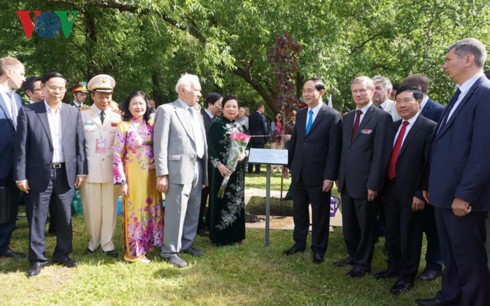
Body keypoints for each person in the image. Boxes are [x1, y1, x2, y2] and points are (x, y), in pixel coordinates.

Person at [416, 38, 490, 306]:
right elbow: (444, 145)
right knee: (452, 256)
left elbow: (483, 153)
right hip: (443, 193)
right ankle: (449, 297)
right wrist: (431, 183)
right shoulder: (461, 93)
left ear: (468, 59)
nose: (445, 65)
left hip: (462, 200)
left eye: (449, 59)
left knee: (470, 260)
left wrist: (465, 195)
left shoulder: (485, 94)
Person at [15, 72, 87, 277]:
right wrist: (21, 175)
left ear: (65, 90)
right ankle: (37, 259)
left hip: (65, 172)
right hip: (38, 173)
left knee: (65, 216)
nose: (57, 91)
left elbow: (80, 144)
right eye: (52, 87)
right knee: (37, 217)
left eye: (61, 88)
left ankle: (63, 254)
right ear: (44, 88)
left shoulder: (73, 113)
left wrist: (82, 170)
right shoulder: (28, 112)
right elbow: (21, 148)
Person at [375, 86, 436, 295]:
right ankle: (393, 267)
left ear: (418, 102)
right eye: (398, 100)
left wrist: (421, 192)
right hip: (390, 190)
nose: (401, 105)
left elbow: (430, 163)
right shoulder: (393, 126)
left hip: (413, 194)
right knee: (391, 232)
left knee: (410, 235)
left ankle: (406, 277)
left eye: (407, 100)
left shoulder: (429, 127)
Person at [335, 76, 394, 278]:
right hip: (346, 182)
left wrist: (374, 184)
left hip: (366, 184)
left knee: (366, 226)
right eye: (355, 91)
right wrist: (338, 176)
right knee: (349, 225)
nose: (358, 94)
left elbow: (381, 156)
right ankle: (353, 255)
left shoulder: (381, 118)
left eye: (362, 90)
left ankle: (363, 263)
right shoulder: (348, 117)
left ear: (372, 91)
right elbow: (344, 150)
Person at [282, 78, 342, 264]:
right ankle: (299, 243)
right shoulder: (300, 114)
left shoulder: (333, 116)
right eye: (304, 90)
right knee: (299, 211)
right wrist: (287, 163)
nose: (306, 94)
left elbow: (334, 149)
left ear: (321, 92)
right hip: (299, 173)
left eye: (310, 90)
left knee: (320, 214)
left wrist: (329, 177)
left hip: (319, 176)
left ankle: (318, 248)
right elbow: (296, 142)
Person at [153, 73, 208, 268]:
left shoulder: (197, 113)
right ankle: (170, 250)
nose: (200, 94)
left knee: (193, 209)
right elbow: (160, 144)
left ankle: (186, 243)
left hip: (197, 167)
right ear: (183, 90)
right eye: (197, 89)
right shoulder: (167, 110)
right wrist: (162, 173)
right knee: (176, 210)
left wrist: (204, 174)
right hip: (177, 168)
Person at [399, 73, 445, 281]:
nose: (402, 101)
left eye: (406, 94)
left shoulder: (438, 112)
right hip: (406, 183)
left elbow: (434, 156)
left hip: (429, 183)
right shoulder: (402, 114)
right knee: (414, 227)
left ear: (418, 91)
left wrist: (423, 187)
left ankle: (434, 265)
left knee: (432, 228)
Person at [113, 91, 164, 263]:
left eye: (141, 103)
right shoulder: (124, 126)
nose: (138, 107)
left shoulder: (152, 125)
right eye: (134, 103)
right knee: (136, 211)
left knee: (152, 208)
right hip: (133, 176)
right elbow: (116, 156)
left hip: (151, 176)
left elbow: (160, 147)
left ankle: (150, 244)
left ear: (146, 106)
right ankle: (135, 251)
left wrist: (157, 160)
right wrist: (122, 181)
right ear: (128, 106)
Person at [79, 74, 121, 258]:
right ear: (92, 95)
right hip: (90, 170)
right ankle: (93, 240)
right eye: (101, 95)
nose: (105, 99)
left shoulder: (118, 117)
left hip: (112, 171)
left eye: (108, 95)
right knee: (91, 207)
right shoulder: (82, 115)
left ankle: (107, 243)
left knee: (110, 207)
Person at [207, 95, 248, 246]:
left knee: (236, 201)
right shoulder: (216, 125)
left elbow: (246, 147)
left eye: (234, 107)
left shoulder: (241, 127)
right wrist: (218, 165)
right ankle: (220, 237)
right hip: (221, 171)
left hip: (237, 173)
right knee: (220, 200)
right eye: (228, 106)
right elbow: (209, 147)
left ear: (238, 110)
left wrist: (245, 153)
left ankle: (236, 235)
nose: (231, 109)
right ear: (222, 109)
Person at [0, 56, 25, 259]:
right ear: (8, 72)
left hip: (14, 164)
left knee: (10, 205)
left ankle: (3, 245)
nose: (24, 79)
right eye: (21, 74)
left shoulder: (16, 98)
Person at [198, 92, 223, 236]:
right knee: (201, 197)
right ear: (210, 104)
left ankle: (208, 223)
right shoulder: (200, 118)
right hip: (203, 165)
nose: (221, 107)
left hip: (215, 166)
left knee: (212, 195)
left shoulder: (217, 120)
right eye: (219, 104)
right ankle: (199, 226)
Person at [247, 103, 268, 174]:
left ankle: (249, 169)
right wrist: (266, 139)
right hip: (260, 139)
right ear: (260, 108)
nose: (264, 109)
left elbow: (249, 127)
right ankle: (257, 170)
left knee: (251, 154)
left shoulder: (250, 117)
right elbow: (264, 128)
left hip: (251, 138)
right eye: (263, 108)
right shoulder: (262, 117)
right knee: (258, 154)